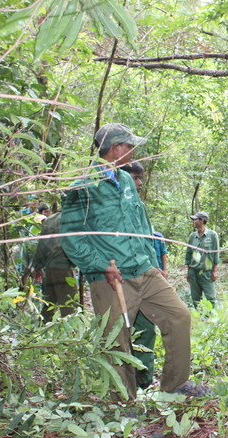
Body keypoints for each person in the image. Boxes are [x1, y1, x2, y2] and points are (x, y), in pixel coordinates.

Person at [60, 123, 206, 400]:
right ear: (115, 148)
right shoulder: (83, 187)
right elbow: (71, 238)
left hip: (144, 271)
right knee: (117, 341)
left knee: (179, 316)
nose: (134, 150)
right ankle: (122, 401)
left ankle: (175, 384)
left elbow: (141, 226)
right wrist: (101, 264)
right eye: (130, 146)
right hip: (110, 277)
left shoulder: (126, 181)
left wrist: (152, 264)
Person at [120, 161, 160, 390]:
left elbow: (148, 242)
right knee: (121, 333)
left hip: (145, 275)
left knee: (146, 328)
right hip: (122, 279)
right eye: (135, 178)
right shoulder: (110, 206)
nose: (139, 183)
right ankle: (125, 387)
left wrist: (154, 270)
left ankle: (145, 380)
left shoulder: (139, 207)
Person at [32, 210, 79, 322]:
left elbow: (41, 245)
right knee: (69, 306)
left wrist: (38, 266)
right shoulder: (71, 218)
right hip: (64, 267)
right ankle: (72, 334)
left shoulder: (49, 220)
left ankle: (43, 330)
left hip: (50, 268)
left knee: (49, 304)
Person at [185, 212, 220, 308]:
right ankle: (200, 318)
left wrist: (215, 271)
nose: (194, 221)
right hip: (194, 272)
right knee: (196, 299)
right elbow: (188, 255)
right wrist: (188, 272)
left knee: (211, 298)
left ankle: (212, 318)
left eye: (196, 219)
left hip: (207, 273)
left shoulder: (212, 235)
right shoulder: (192, 236)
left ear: (202, 221)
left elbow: (216, 253)